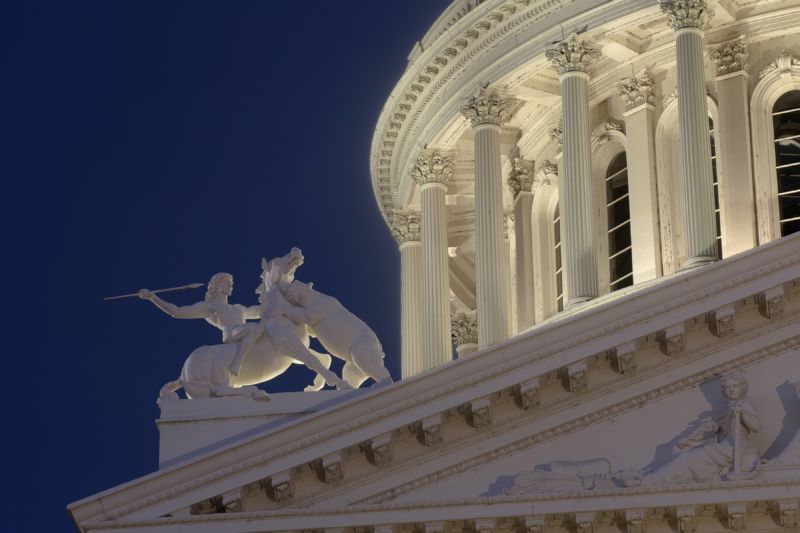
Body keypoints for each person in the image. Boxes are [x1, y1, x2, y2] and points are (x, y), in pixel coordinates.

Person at [640, 372, 761, 484]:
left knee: (686, 459)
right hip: (723, 447)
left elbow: (757, 427)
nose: (732, 389)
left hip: (736, 447)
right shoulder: (726, 410)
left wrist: (743, 415)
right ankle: (652, 479)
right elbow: (719, 433)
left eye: (735, 386)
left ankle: (650, 481)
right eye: (728, 387)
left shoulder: (744, 406)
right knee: (683, 455)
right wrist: (709, 428)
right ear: (724, 391)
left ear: (742, 388)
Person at [138, 273, 262, 376]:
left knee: (262, 330)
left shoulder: (238, 307)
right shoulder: (208, 307)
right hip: (231, 333)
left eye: (232, 283)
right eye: (226, 282)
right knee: (254, 327)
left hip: (243, 331)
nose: (231, 285)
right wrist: (153, 298)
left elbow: (258, 311)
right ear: (217, 285)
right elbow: (177, 311)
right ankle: (237, 363)